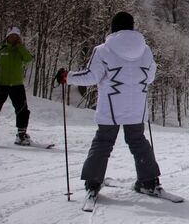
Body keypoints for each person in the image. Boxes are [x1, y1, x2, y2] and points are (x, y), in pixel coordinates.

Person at [55, 12, 164, 198]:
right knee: (138, 141)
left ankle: (93, 182)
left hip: (112, 106)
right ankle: (149, 181)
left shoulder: (103, 50)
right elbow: (150, 77)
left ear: (113, 27)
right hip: (137, 107)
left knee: (104, 142)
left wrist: (69, 77)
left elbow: (92, 76)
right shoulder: (145, 50)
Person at [0, 27, 34, 146]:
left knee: (22, 110)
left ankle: (21, 135)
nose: (14, 38)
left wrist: (20, 46)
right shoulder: (0, 50)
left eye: (17, 36)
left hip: (17, 86)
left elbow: (29, 58)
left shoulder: (21, 50)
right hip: (1, 85)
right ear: (7, 37)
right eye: (12, 35)